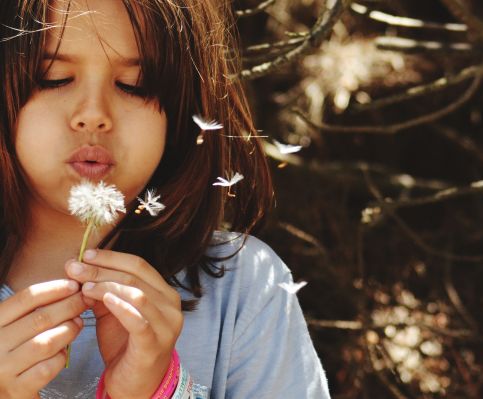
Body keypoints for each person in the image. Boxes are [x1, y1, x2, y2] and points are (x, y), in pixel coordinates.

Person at [0, 0, 330, 398]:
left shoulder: (245, 290)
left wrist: (158, 390)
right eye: (53, 77)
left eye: (133, 85)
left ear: (180, 109)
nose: (94, 114)